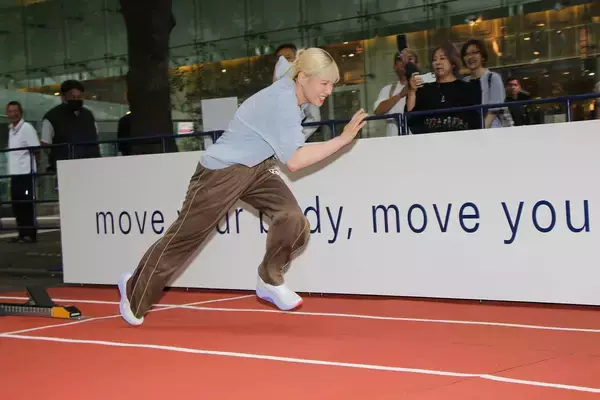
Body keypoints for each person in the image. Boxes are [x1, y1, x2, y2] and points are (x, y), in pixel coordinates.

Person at [118, 47, 368, 326]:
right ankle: (133, 292)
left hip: (258, 168)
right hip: (221, 173)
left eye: (332, 84)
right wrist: (342, 140)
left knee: (293, 219)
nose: (329, 91)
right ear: (303, 78)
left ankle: (269, 278)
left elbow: (284, 66)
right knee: (183, 240)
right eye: (324, 83)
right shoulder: (282, 103)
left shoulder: (292, 85)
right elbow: (296, 161)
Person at [5, 101, 40, 243]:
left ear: (21, 112)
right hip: (15, 174)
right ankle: (22, 233)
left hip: (26, 174)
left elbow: (36, 149)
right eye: (10, 111)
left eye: (15, 111)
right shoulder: (11, 130)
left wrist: (33, 170)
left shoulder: (27, 128)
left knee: (26, 204)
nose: (13, 114)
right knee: (17, 205)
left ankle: (30, 234)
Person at [273, 43, 322, 140]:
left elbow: (314, 118)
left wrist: (298, 138)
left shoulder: (306, 86)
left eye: (288, 57)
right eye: (279, 58)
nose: (283, 61)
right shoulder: (272, 89)